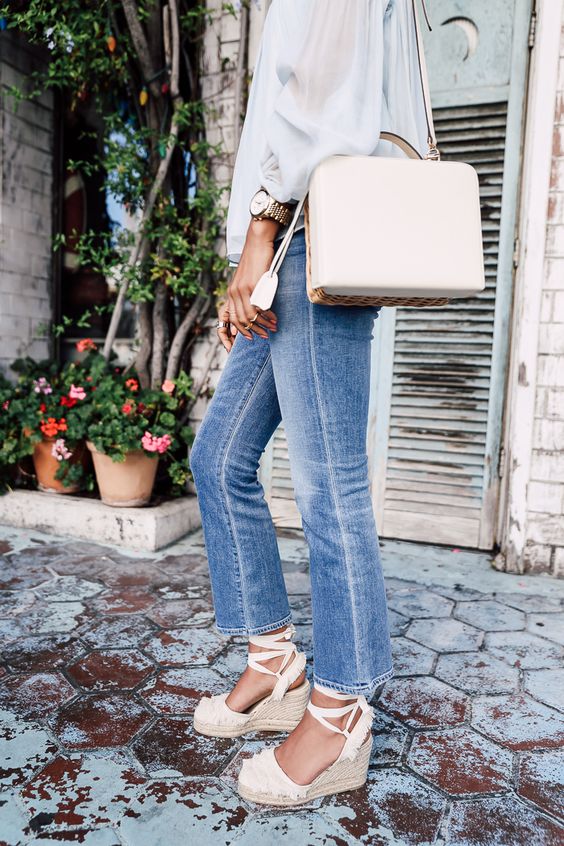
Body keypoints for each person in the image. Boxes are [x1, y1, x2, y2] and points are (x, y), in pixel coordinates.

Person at [190, 0, 430, 807]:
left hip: (307, 240)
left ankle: (341, 708)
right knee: (219, 457)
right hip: (286, 249)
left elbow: (321, 93)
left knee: (331, 485)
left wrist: (259, 233)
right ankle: (274, 663)